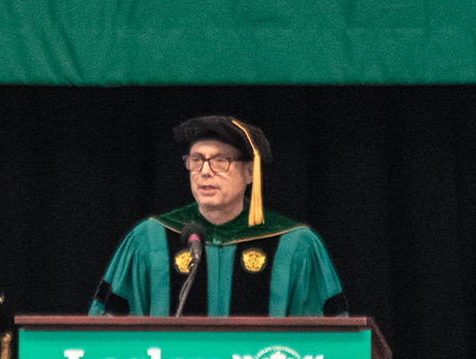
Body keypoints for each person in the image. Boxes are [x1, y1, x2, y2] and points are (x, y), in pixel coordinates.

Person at [92, 115, 345, 316]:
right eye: (196, 160)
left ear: (249, 173)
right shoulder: (150, 238)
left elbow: (325, 342)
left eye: (220, 161)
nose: (205, 172)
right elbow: (110, 332)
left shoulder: (295, 244)